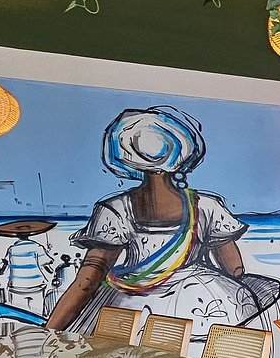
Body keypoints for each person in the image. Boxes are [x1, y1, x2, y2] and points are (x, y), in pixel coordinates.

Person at [47, 105, 257, 336]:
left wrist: (48, 332)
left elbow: (87, 283)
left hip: (132, 310)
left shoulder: (115, 209)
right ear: (181, 155)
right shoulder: (207, 206)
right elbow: (235, 269)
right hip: (204, 306)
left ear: (126, 157)